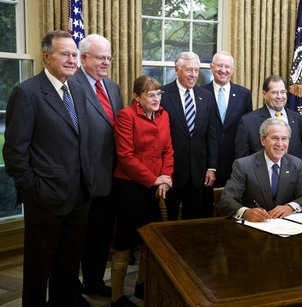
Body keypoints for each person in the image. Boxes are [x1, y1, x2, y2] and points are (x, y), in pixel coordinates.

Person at [3, 30, 94, 306]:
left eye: (75, 54)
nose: (71, 59)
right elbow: (15, 154)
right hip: (45, 200)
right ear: (46, 56)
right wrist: (35, 192)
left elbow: (81, 140)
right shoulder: (27, 93)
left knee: (67, 268)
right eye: (64, 53)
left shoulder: (78, 89)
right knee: (38, 270)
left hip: (79, 196)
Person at [111, 75, 174, 306]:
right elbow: (125, 157)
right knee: (125, 240)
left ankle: (143, 285)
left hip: (158, 186)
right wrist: (155, 180)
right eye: (151, 95)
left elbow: (168, 149)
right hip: (130, 186)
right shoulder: (126, 116)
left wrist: (165, 178)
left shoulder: (164, 115)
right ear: (136, 97)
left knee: (152, 239)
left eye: (159, 94)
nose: (156, 99)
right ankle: (117, 295)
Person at [70, 33, 123, 298]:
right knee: (78, 239)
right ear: (84, 58)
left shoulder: (113, 87)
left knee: (102, 237)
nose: (106, 63)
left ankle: (94, 282)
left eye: (108, 58)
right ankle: (71, 288)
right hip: (81, 179)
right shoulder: (72, 85)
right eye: (100, 58)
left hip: (111, 177)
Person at [218, 118, 302, 221]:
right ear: (262, 140)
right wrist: (245, 213)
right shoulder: (243, 165)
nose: (280, 144)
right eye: (274, 138)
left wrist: (290, 207)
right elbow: (226, 201)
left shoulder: (296, 164)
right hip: (253, 228)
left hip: (285, 228)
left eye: (284, 139)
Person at [161, 51, 219, 219]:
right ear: (177, 70)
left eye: (196, 70)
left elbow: (211, 134)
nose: (193, 75)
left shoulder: (206, 96)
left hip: (198, 172)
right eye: (189, 70)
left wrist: (211, 167)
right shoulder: (163, 95)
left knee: (193, 223)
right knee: (168, 222)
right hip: (171, 172)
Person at [201, 51, 253, 187]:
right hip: (206, 166)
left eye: (227, 67)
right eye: (219, 66)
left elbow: (248, 132)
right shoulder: (200, 93)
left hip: (235, 164)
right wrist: (209, 165)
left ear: (233, 69)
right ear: (211, 67)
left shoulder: (245, 94)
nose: (223, 70)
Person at [235, 75, 302, 160]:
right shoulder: (248, 122)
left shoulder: (299, 120)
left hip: (293, 173)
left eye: (283, 92)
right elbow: (242, 160)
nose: (279, 96)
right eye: (275, 92)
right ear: (264, 94)